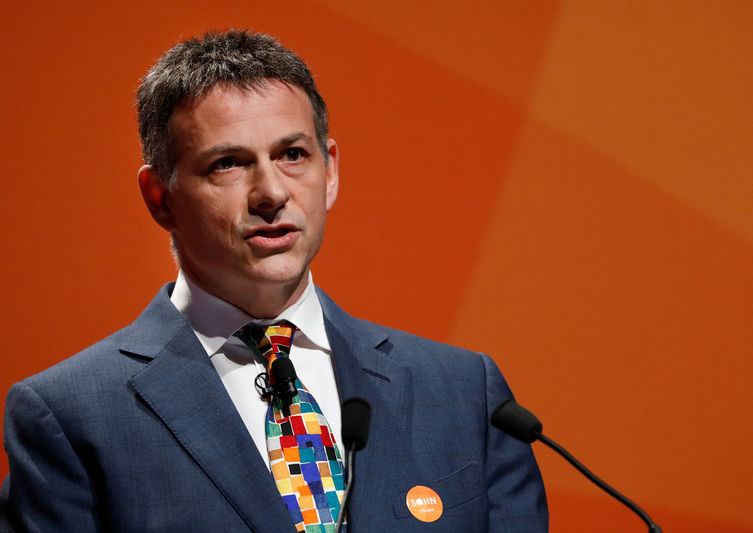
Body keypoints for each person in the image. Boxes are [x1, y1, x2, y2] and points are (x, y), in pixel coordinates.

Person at [0, 30, 547, 532]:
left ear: (329, 171)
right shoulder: (72, 416)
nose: (271, 192)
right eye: (228, 164)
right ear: (160, 197)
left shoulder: (463, 393)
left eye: (292, 155)